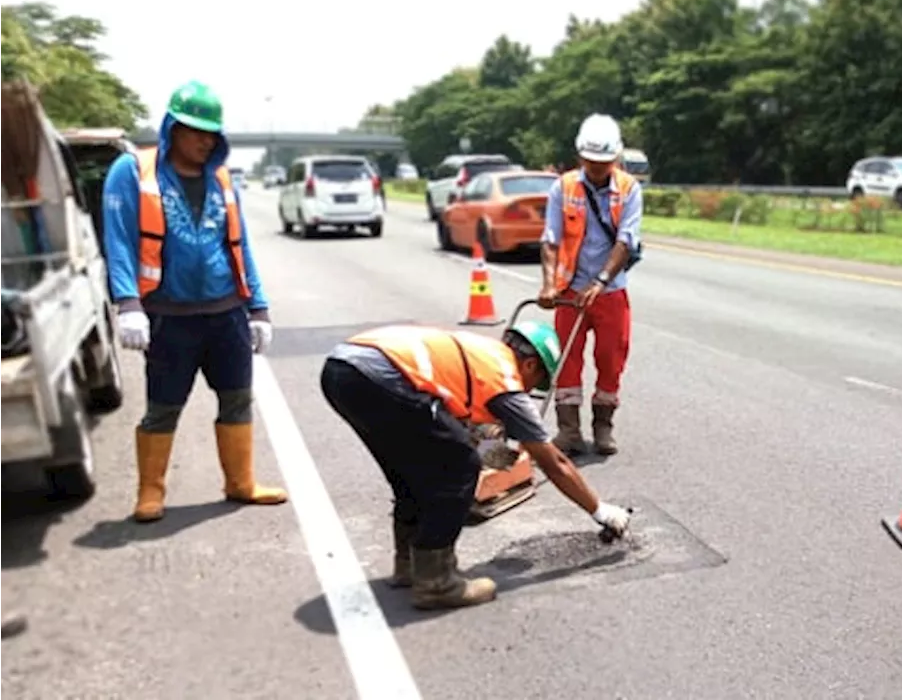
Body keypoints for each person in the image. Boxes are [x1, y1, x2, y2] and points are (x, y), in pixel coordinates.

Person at [319, 318, 634, 610]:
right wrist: (601, 511)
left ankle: (411, 567)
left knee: (411, 469)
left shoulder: (483, 355)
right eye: (535, 382)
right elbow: (557, 463)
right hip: (380, 377)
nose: (529, 392)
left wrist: (504, 460)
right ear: (529, 363)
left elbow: (457, 430)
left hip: (342, 371)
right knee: (459, 469)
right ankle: (436, 584)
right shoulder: (506, 380)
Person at [103, 80, 286, 523]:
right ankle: (150, 490)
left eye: (212, 133)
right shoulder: (133, 172)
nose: (206, 141)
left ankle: (240, 481)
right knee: (164, 406)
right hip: (169, 317)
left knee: (238, 397)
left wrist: (258, 308)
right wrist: (128, 303)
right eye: (195, 130)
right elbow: (120, 241)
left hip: (226, 313)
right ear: (172, 127)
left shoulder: (222, 178)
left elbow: (240, 246)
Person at [537, 113, 643, 456]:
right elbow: (551, 239)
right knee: (566, 360)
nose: (597, 168)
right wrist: (549, 285)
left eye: (604, 162)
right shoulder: (563, 187)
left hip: (610, 291)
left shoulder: (628, 189)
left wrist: (600, 280)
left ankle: (603, 426)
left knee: (611, 358)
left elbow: (625, 241)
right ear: (580, 157)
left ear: (616, 158)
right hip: (570, 290)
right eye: (591, 161)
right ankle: (569, 430)